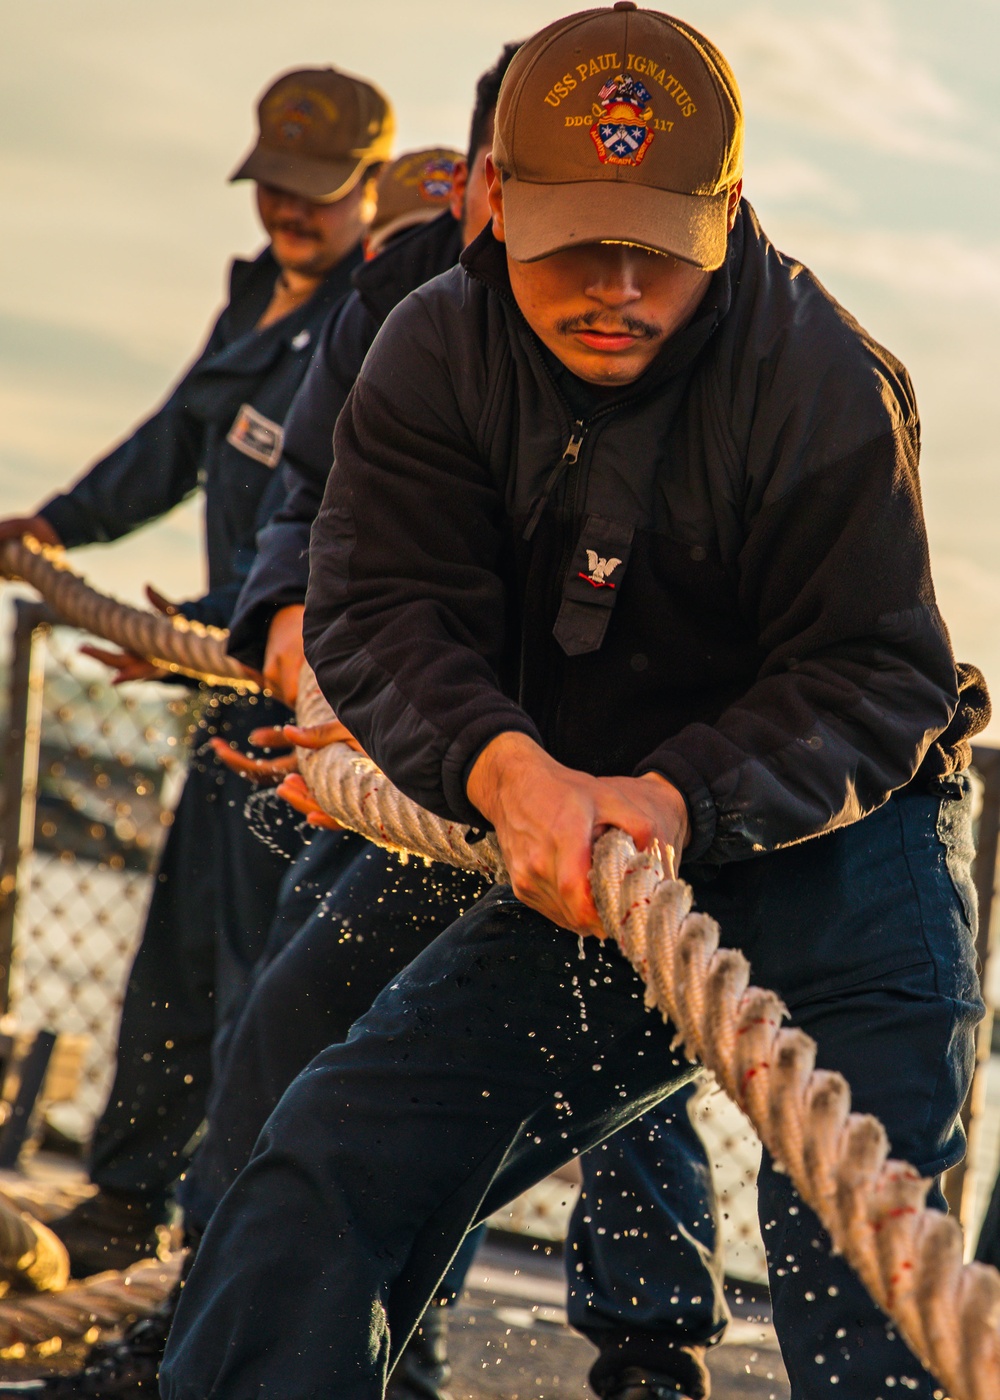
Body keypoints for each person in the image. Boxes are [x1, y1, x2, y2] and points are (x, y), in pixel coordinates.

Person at [158, 5, 990, 1399]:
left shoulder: (823, 379)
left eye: (657, 246)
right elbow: (377, 608)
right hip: (576, 842)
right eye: (570, 243)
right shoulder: (430, 351)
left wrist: (677, 796)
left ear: (729, 211)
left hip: (841, 851)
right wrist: (498, 768)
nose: (614, 285)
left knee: (875, 1311)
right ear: (493, 201)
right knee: (324, 1164)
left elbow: (877, 673)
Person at [0, 64, 393, 1277]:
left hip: (299, 713)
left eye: (317, 193)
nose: (291, 210)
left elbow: (335, 524)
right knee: (171, 968)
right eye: (276, 185)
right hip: (219, 690)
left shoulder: (372, 324)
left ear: (371, 189)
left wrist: (221, 622)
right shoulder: (254, 307)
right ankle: (127, 1202)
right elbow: (173, 442)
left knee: (256, 990)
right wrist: (56, 525)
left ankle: (218, 1249)